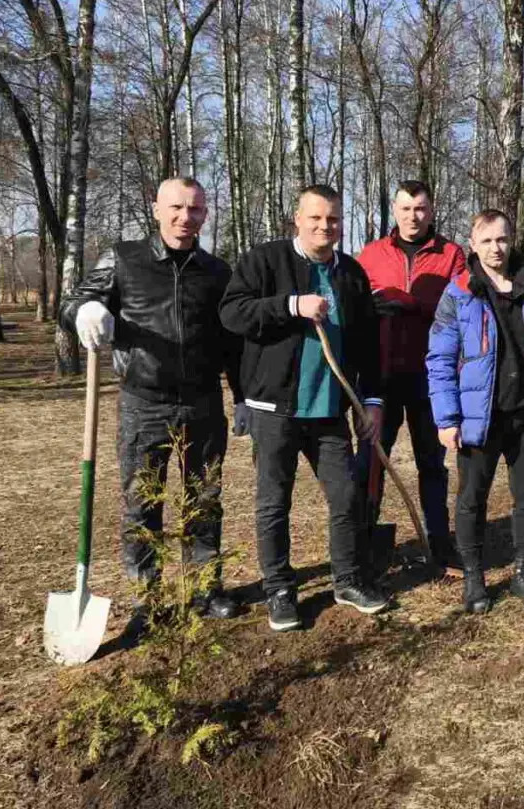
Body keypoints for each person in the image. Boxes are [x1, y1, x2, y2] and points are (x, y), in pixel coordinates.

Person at [60, 177, 244, 624]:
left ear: (205, 215)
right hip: (144, 403)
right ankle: (150, 599)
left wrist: (242, 397)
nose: (186, 218)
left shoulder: (217, 273)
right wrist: (86, 311)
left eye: (196, 210)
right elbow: (75, 302)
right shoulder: (124, 259)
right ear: (157, 209)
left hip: (202, 403)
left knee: (204, 500)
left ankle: (205, 588)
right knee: (143, 506)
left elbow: (233, 344)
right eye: (177, 208)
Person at [220, 184, 388, 632]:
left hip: (329, 410)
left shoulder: (350, 274)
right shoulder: (265, 260)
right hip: (273, 406)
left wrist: (370, 401)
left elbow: (368, 345)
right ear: (297, 218)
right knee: (274, 502)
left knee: (346, 495)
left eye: (332, 219)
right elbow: (233, 314)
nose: (324, 227)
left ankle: (347, 579)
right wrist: (291, 305)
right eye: (315, 218)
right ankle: (279, 588)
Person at [425, 209, 524, 614]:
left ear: (513, 239)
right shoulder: (458, 292)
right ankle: (474, 577)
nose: (496, 248)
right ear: (472, 244)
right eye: (487, 240)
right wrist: (447, 417)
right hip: (480, 417)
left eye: (502, 239)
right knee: (472, 499)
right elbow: (440, 359)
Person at [356, 180, 465, 574]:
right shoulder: (371, 255)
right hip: (380, 377)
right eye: (405, 208)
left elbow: (458, 308)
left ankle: (440, 542)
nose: (412, 216)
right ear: (394, 210)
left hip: (429, 378)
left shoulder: (451, 255)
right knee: (371, 460)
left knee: (431, 464)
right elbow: (355, 308)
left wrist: (411, 303)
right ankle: (365, 542)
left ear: (431, 210)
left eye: (420, 208)